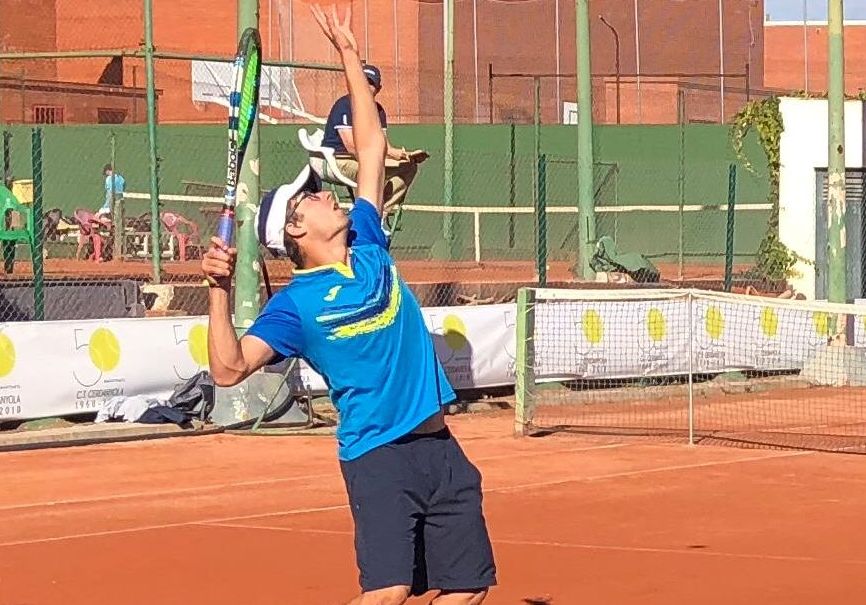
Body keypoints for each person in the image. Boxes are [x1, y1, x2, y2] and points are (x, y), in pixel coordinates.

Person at [201, 6, 495, 605]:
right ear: (296, 231)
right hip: (378, 456)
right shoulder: (296, 306)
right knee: (386, 593)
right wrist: (218, 289)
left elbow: (372, 144)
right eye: (309, 199)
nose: (324, 196)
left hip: (439, 446)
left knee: (467, 589)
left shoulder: (367, 239)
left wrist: (348, 60)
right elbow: (228, 370)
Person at [321, 60, 428, 228]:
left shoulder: (378, 111)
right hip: (340, 160)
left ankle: (379, 214)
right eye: (363, 81)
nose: (366, 86)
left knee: (409, 168)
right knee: (373, 171)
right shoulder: (344, 105)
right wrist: (377, 161)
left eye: (371, 84)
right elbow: (351, 146)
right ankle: (366, 217)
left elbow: (384, 145)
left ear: (378, 89)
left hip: (366, 159)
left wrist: (403, 155)